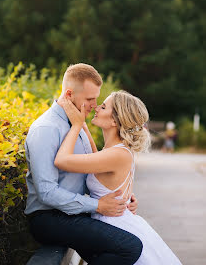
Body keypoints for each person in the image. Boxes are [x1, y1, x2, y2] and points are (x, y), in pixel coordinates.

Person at [25, 63, 143, 265]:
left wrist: (121, 196)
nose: (94, 105)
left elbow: (94, 170)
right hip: (48, 218)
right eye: (90, 99)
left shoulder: (77, 124)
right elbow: (46, 192)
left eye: (96, 99)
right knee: (129, 247)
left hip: (74, 214)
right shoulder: (46, 128)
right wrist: (98, 205)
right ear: (69, 94)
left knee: (119, 250)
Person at [54, 90, 182, 264]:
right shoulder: (114, 151)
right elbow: (95, 160)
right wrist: (82, 124)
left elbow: (62, 160)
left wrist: (76, 126)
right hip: (110, 222)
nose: (97, 107)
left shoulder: (118, 155)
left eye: (104, 106)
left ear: (114, 120)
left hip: (115, 226)